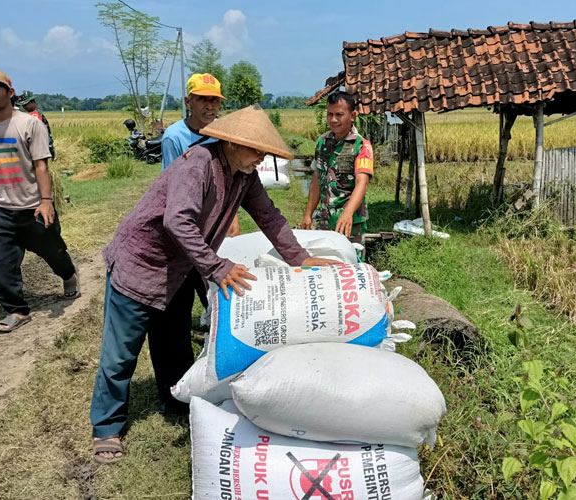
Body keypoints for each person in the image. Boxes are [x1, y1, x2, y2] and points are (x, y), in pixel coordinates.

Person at [89, 104, 339, 464]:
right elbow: (178, 222)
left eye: (265, 152)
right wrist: (216, 266)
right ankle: (106, 427)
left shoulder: (242, 174)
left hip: (179, 267)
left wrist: (300, 258)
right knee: (121, 352)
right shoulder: (198, 165)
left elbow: (268, 215)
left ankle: (174, 401)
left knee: (173, 343)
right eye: (256, 150)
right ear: (233, 144)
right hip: (142, 263)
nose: (261, 158)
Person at [0, 70, 79, 333]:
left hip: (32, 206)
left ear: (10, 93)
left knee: (54, 252)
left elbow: (40, 165)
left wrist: (46, 201)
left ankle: (68, 274)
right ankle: (17, 310)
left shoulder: (30, 124)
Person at [162, 72, 240, 237]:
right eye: (202, 99)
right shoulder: (174, 137)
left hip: (220, 208)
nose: (210, 106)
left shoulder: (224, 133)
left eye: (214, 100)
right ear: (188, 102)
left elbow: (230, 178)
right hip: (188, 209)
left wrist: (232, 218)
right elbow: (171, 185)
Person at [301, 91, 373, 244]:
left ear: (352, 115)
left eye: (339, 114)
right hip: (325, 220)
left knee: (351, 264)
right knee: (325, 262)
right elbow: (316, 179)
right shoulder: (322, 142)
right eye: (329, 114)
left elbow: (362, 183)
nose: (333, 120)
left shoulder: (361, 146)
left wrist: (347, 213)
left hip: (349, 222)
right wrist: (308, 214)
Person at [17, 91, 55, 161]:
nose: (24, 107)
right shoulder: (37, 112)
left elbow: (35, 132)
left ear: (32, 102)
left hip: (42, 147)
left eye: (25, 104)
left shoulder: (35, 115)